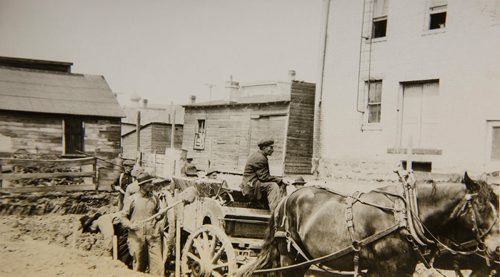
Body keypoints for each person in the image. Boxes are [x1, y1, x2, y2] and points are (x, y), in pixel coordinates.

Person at [120, 172, 164, 275]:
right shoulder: (132, 199)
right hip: (137, 236)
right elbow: (122, 217)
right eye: (149, 182)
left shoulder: (155, 198)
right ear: (143, 185)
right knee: (139, 265)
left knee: (158, 266)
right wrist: (130, 225)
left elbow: (158, 213)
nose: (152, 184)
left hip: (153, 235)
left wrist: (160, 215)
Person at [240, 138, 286, 211]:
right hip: (252, 187)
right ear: (264, 148)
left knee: (277, 183)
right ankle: (275, 212)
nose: (273, 150)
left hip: (252, 183)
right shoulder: (260, 158)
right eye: (271, 147)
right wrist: (280, 180)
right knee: (273, 186)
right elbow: (264, 177)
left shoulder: (258, 155)